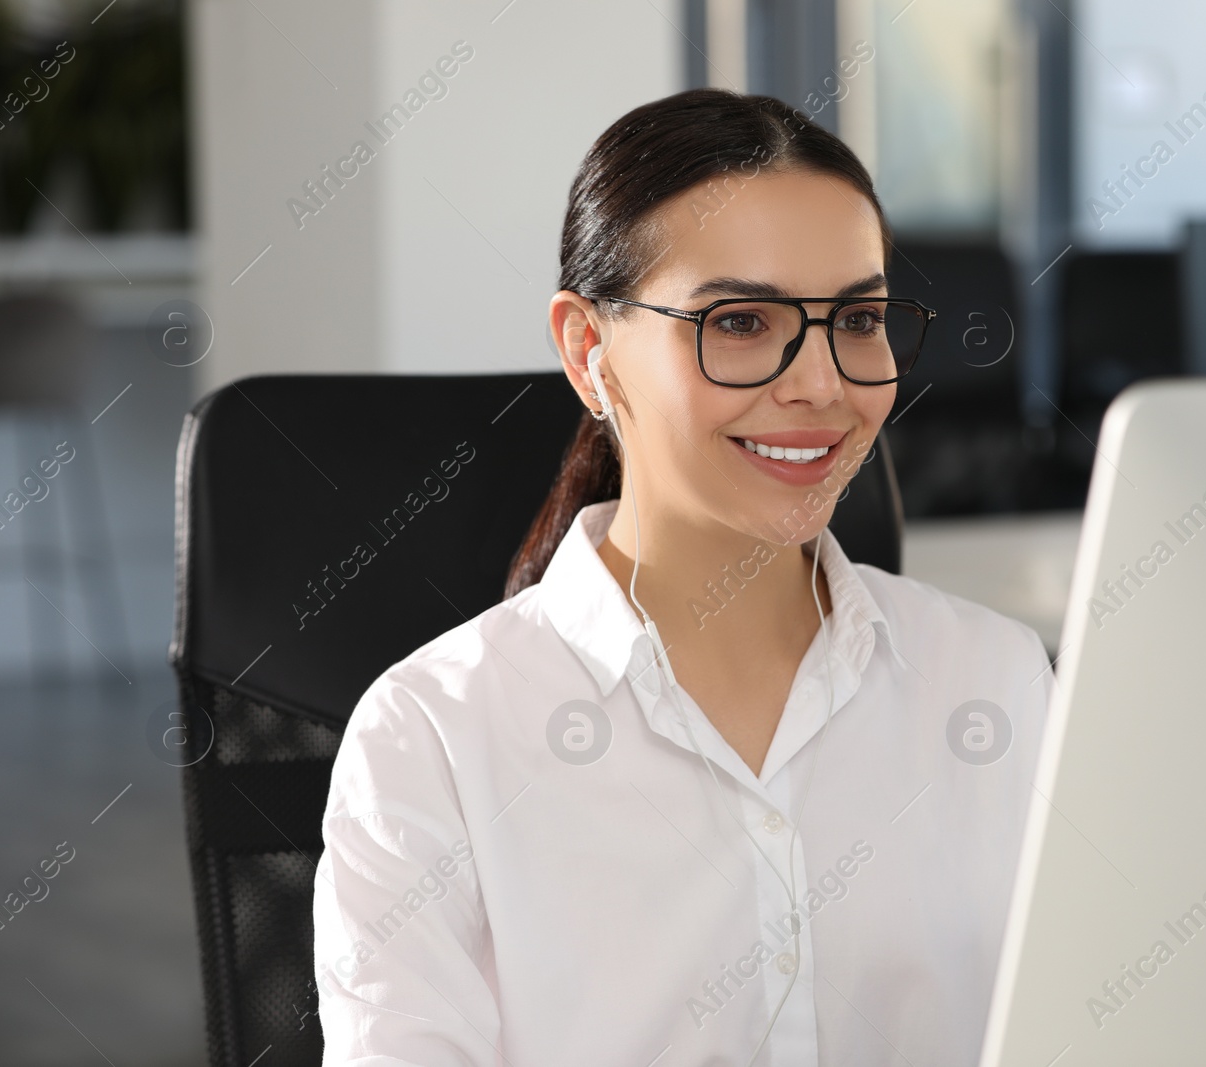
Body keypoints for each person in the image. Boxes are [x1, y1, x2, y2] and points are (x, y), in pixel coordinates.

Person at [312, 87, 1052, 1066]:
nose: (822, 383)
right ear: (589, 351)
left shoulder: (993, 679)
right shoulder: (434, 737)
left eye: (857, 318)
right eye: (741, 321)